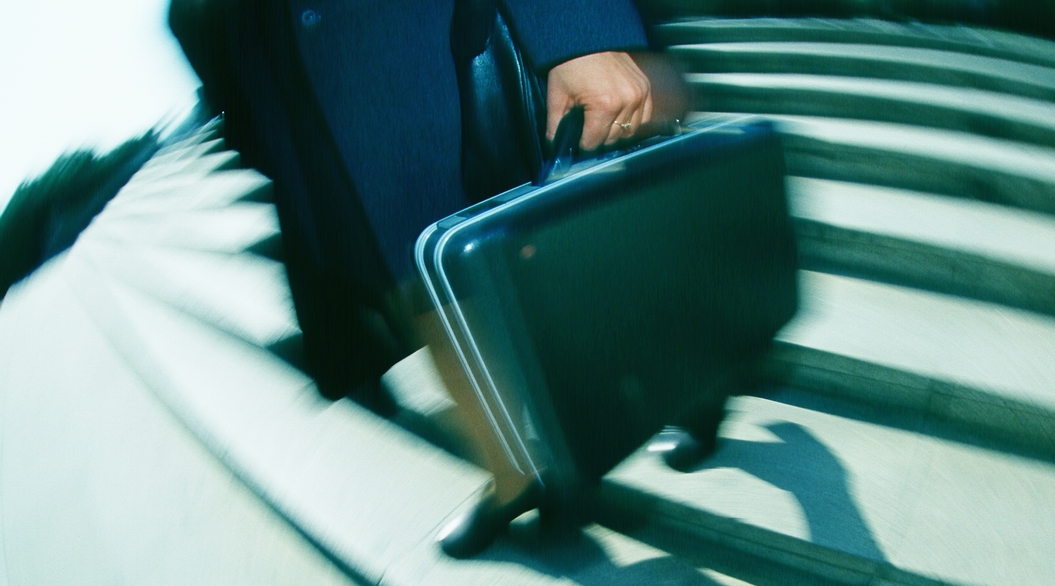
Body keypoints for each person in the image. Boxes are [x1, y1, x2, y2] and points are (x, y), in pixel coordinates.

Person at [169, 0, 689, 556]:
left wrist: (575, 30)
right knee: (425, 289)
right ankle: (513, 477)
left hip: (436, 45)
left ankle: (688, 383)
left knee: (566, 240)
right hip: (331, 117)